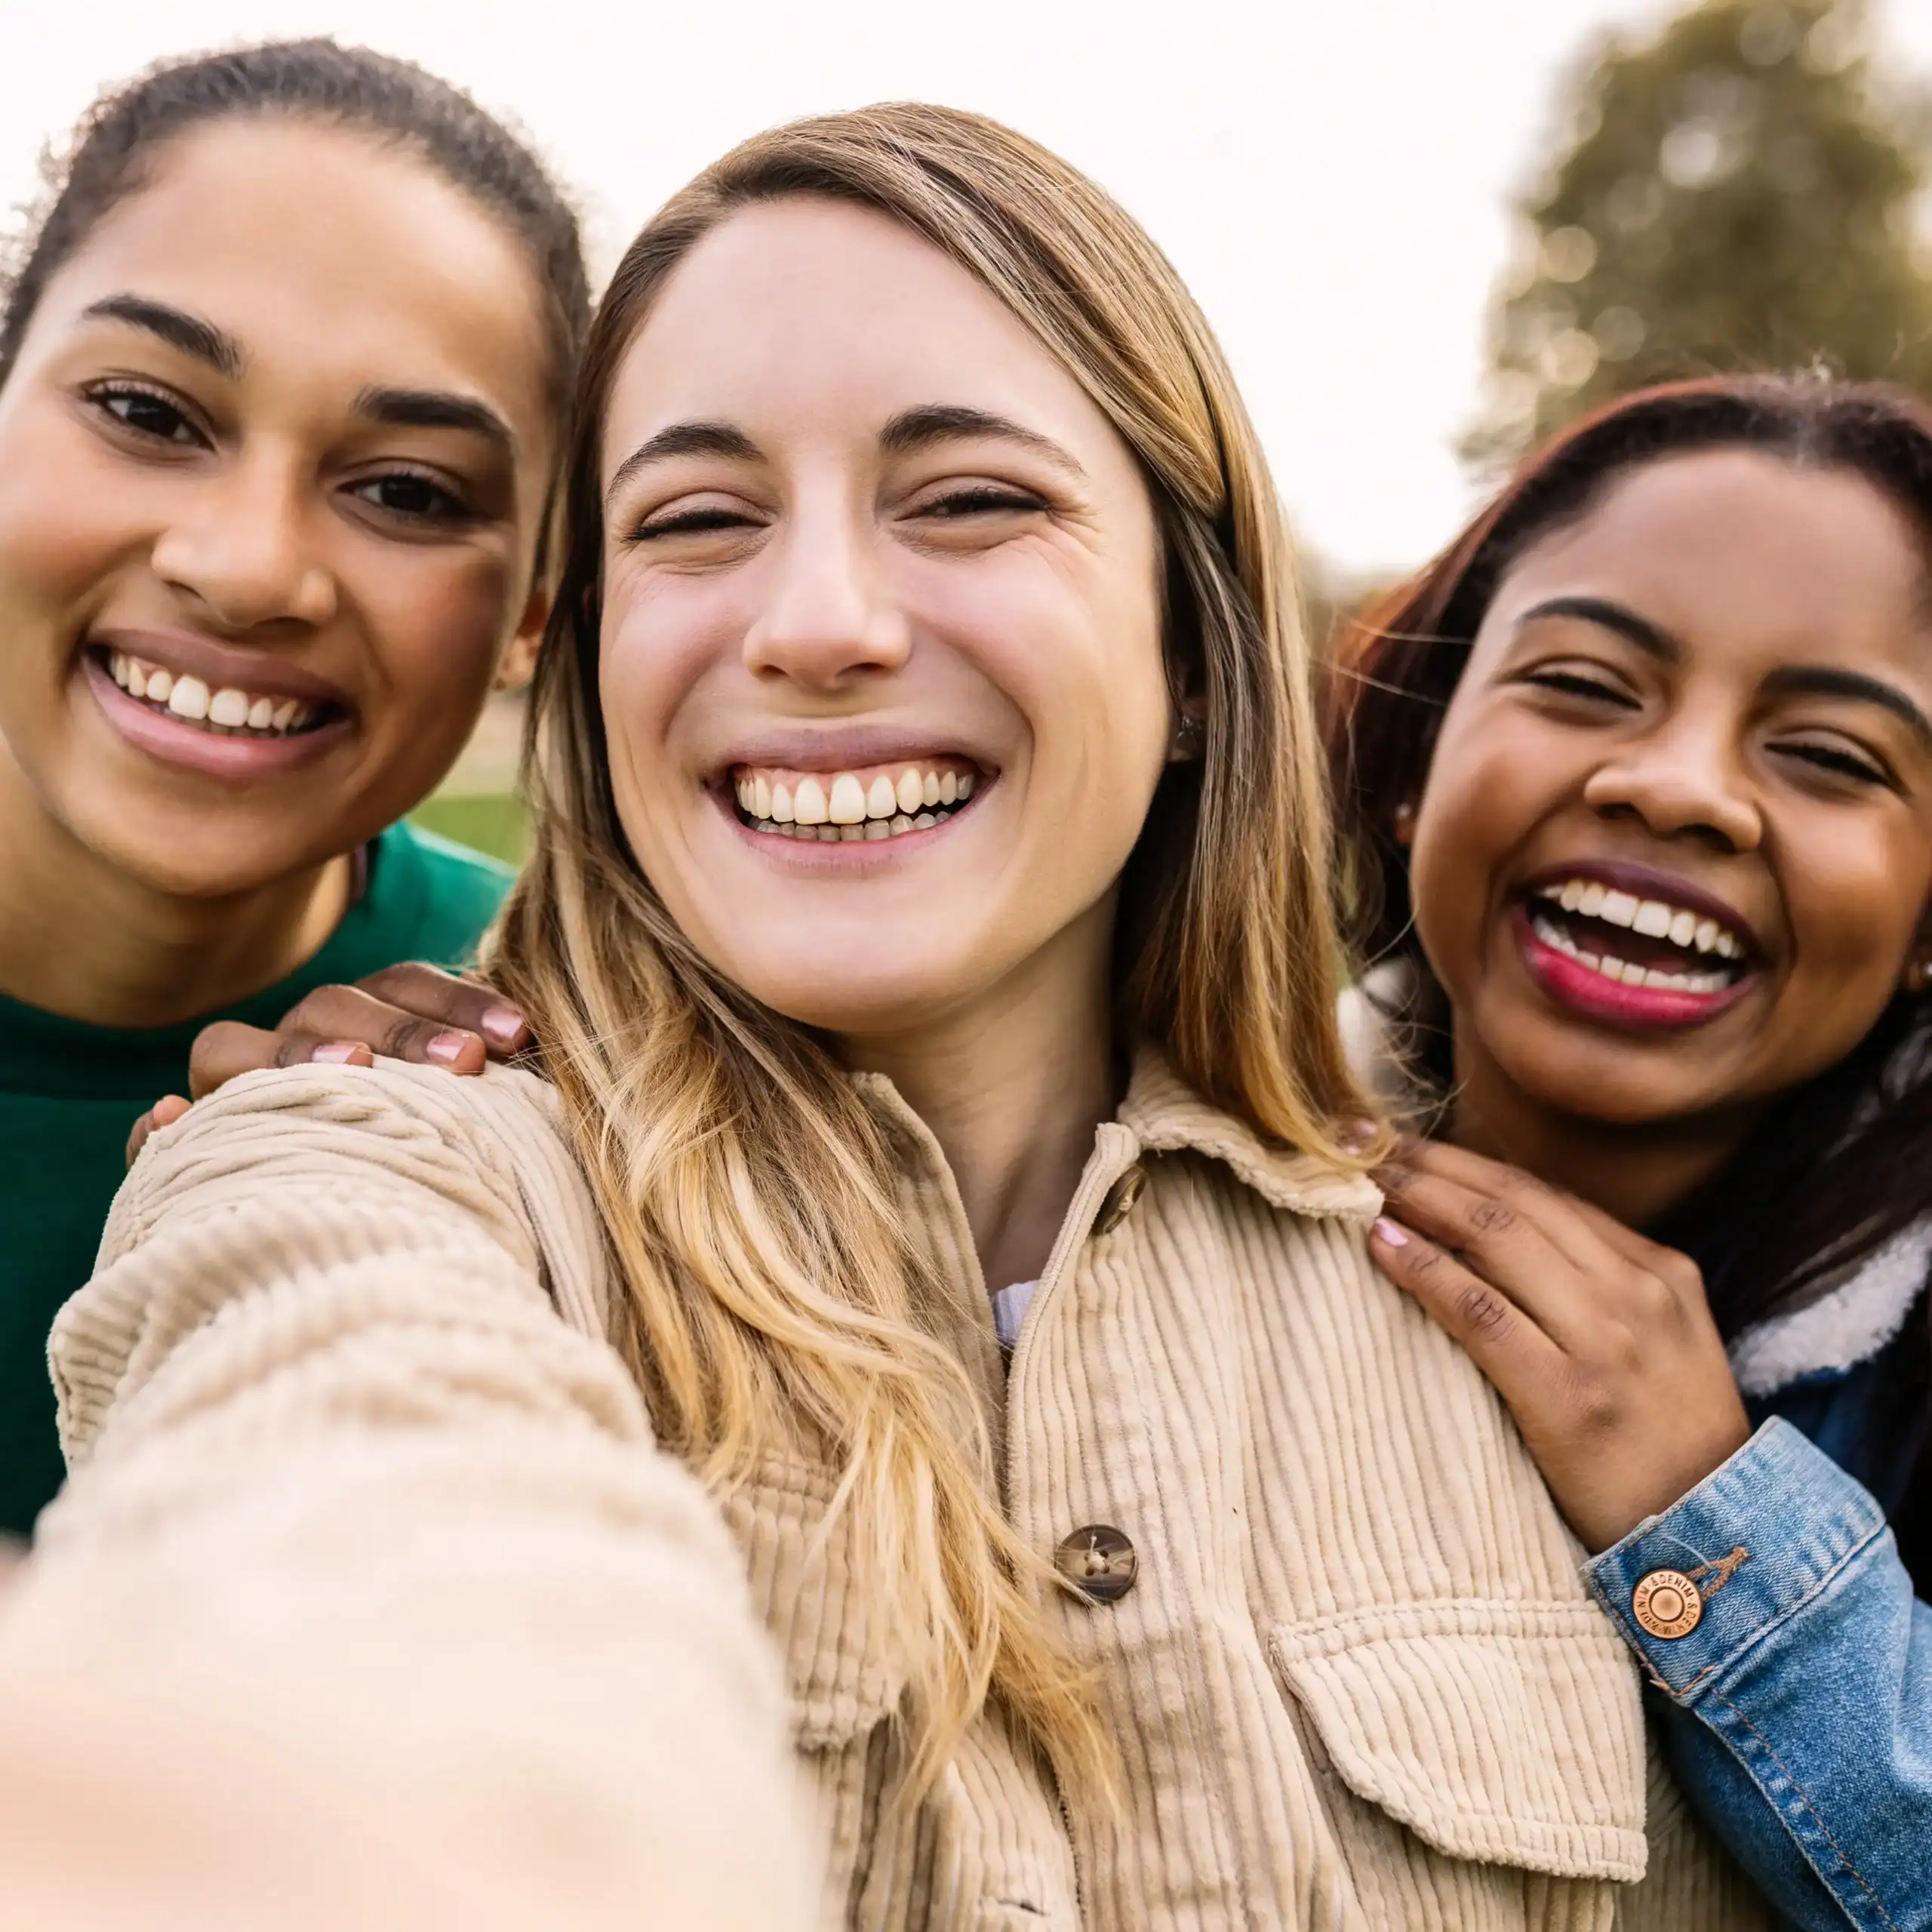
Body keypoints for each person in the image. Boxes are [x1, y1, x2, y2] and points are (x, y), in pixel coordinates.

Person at [54, 106, 1765, 1927]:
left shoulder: (1526, 1348)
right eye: (697, 520)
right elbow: (333, 1475)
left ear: (1188, 652)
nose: (815, 622)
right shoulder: (381, 1157)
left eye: (967, 499)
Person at [1327, 375, 1932, 1930]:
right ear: (1410, 760)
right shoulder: (1117, 1189)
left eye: (1830, 754)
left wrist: (1714, 1521)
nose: (1672, 783)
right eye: (1587, 681)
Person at [0, 39, 584, 1537]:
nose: (247, 565)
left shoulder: (588, 1085)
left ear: (533, 610)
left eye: (406, 490)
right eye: (147, 410)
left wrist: (410, 1178)